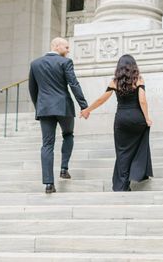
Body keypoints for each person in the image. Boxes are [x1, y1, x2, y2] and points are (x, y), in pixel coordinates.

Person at [80, 53, 153, 191]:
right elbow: (142, 100)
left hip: (121, 120)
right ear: (133, 66)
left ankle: (122, 185)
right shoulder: (138, 80)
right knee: (140, 146)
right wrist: (147, 118)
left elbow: (101, 99)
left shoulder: (114, 82)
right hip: (137, 118)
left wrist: (87, 110)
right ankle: (139, 173)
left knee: (122, 152)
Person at [28, 37, 89, 194]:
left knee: (47, 144)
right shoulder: (65, 62)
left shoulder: (35, 64)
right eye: (66, 47)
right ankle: (64, 168)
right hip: (63, 107)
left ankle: (49, 184)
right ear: (56, 46)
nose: (68, 50)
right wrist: (84, 105)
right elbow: (74, 84)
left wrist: (39, 107)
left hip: (45, 109)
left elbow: (32, 90)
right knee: (68, 134)